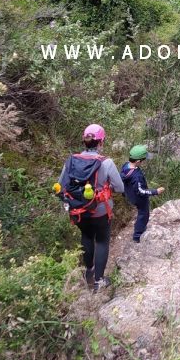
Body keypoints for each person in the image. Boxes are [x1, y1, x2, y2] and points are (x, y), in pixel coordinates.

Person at [57, 123, 126, 292]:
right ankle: (99, 281)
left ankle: (89, 272)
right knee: (102, 241)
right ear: (101, 142)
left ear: (84, 141)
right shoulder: (106, 163)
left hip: (78, 210)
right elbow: (120, 188)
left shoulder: (71, 160)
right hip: (100, 210)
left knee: (86, 237)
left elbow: (60, 185)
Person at [120, 144, 164, 243]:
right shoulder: (136, 176)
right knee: (143, 214)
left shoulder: (126, 166)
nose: (144, 162)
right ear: (138, 162)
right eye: (144, 160)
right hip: (138, 198)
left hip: (129, 193)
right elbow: (140, 191)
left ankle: (138, 231)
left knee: (142, 213)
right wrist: (155, 191)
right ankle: (138, 236)